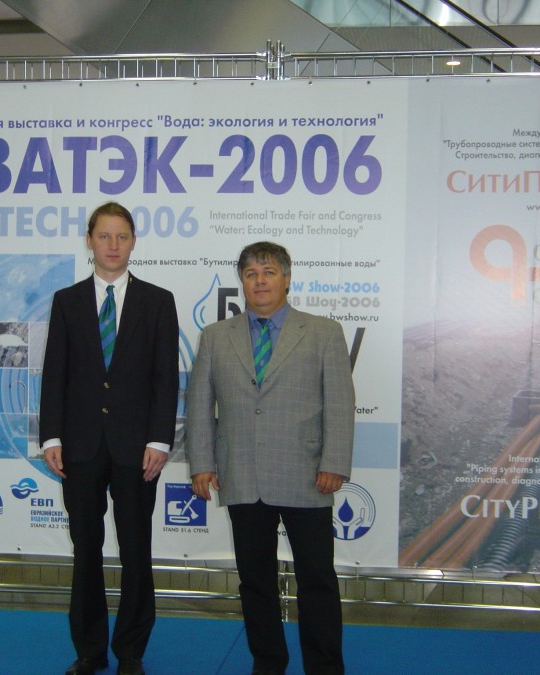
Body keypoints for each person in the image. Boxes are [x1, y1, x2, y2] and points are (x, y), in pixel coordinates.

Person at [186, 241, 355, 675]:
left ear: (286, 278)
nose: (259, 281)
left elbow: (340, 402)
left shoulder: (323, 332)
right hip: (242, 474)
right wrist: (201, 463)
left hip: (307, 474)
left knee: (317, 579)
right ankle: (268, 662)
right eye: (251, 274)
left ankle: (324, 667)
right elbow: (200, 405)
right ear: (242, 282)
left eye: (268, 272)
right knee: (255, 582)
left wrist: (334, 462)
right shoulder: (215, 336)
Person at [39, 201, 179, 675]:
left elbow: (166, 378)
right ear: (89, 241)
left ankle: (131, 651)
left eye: (122, 236)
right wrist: (51, 436)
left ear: (133, 241)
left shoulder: (158, 301)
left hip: (138, 448)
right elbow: (54, 374)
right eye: (104, 236)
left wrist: (160, 440)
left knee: (136, 550)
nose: (113, 245)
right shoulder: (67, 301)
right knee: (86, 550)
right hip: (79, 446)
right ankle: (89, 650)